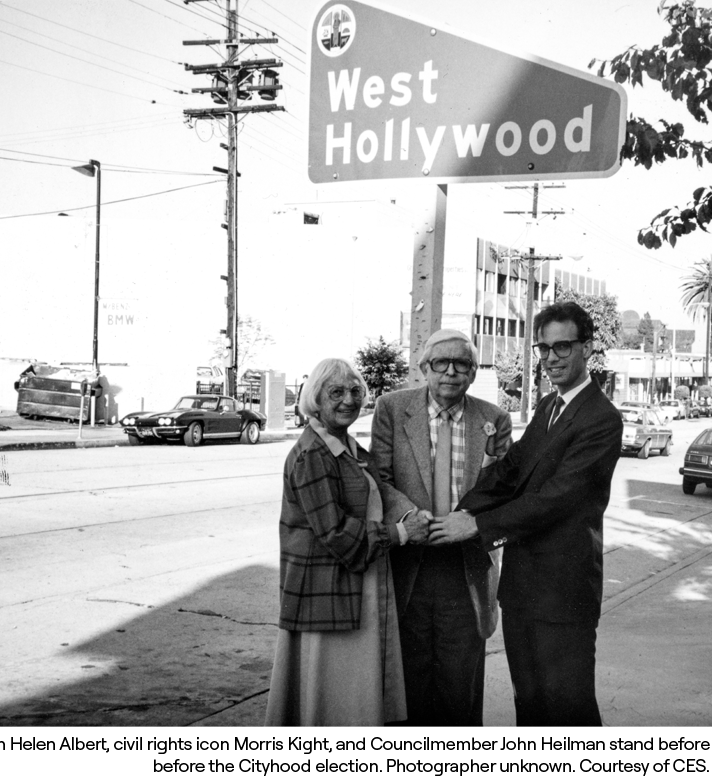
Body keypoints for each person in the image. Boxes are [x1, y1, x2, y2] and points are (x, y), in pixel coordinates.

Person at [429, 302, 623, 726]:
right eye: (544, 348)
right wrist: (454, 513)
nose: (551, 358)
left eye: (563, 347)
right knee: (531, 708)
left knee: (568, 712)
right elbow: (510, 471)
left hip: (563, 595)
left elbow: (556, 499)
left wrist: (476, 526)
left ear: (587, 348)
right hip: (522, 590)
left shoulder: (601, 419)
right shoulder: (549, 409)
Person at [265, 358, 428, 726]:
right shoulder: (313, 455)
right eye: (335, 392)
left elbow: (378, 494)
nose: (348, 400)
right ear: (315, 399)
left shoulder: (345, 447)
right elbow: (335, 534)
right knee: (333, 703)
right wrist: (403, 533)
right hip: (329, 595)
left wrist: (409, 515)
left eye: (356, 391)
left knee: (346, 698)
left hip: (353, 589)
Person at [370, 329, 513, 726]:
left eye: (462, 363)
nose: (451, 372)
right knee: (407, 686)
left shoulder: (494, 419)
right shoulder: (392, 409)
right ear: (423, 369)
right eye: (440, 363)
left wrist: (472, 524)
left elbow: (504, 494)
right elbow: (378, 478)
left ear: (472, 371)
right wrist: (408, 517)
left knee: (459, 690)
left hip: (466, 571)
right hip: (408, 567)